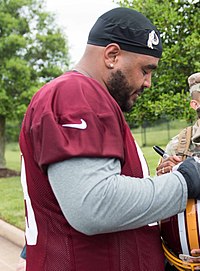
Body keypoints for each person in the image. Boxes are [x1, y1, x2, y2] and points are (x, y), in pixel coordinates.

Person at [19, 7, 200, 271]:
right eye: (145, 70)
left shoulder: (91, 98)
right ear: (112, 55)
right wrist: (187, 179)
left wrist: (173, 251)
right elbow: (94, 205)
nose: (148, 82)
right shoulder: (76, 93)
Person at [157, 72, 200, 271]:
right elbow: (160, 203)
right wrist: (165, 175)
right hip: (181, 262)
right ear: (195, 104)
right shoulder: (178, 144)